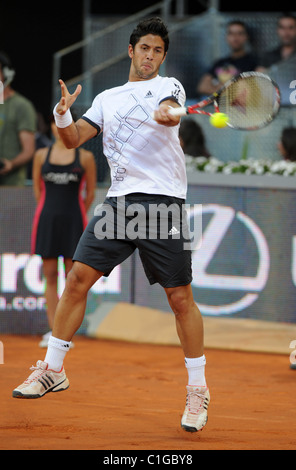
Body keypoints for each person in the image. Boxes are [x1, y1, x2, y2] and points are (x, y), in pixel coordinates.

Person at [12, 17, 210, 434]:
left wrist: (168, 113)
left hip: (162, 204)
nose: (150, 56)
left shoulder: (170, 87)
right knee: (77, 278)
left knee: (180, 299)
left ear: (163, 56)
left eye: (157, 50)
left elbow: (169, 115)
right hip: (119, 203)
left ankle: (197, 389)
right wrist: (63, 115)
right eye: (144, 49)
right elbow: (71, 140)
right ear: (131, 51)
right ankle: (53, 369)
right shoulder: (107, 98)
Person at [31, 115, 96, 348]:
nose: (59, 127)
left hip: (74, 222)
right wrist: (49, 212)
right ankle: (53, 331)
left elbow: (90, 194)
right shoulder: (40, 156)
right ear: (50, 126)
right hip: (47, 221)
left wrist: (76, 214)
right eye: (55, 122)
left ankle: (65, 335)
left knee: (74, 279)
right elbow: (38, 191)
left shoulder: (86, 157)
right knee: (50, 276)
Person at [0, 52, 37, 186]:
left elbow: (28, 150)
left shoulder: (21, 106)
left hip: (11, 187)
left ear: (6, 74)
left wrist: (10, 164)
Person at [197, 21, 258, 96]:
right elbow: (202, 87)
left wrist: (219, 88)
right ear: (226, 37)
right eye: (231, 33)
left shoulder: (254, 62)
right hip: (216, 106)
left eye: (240, 33)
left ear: (246, 37)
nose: (235, 38)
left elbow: (253, 90)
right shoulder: (220, 63)